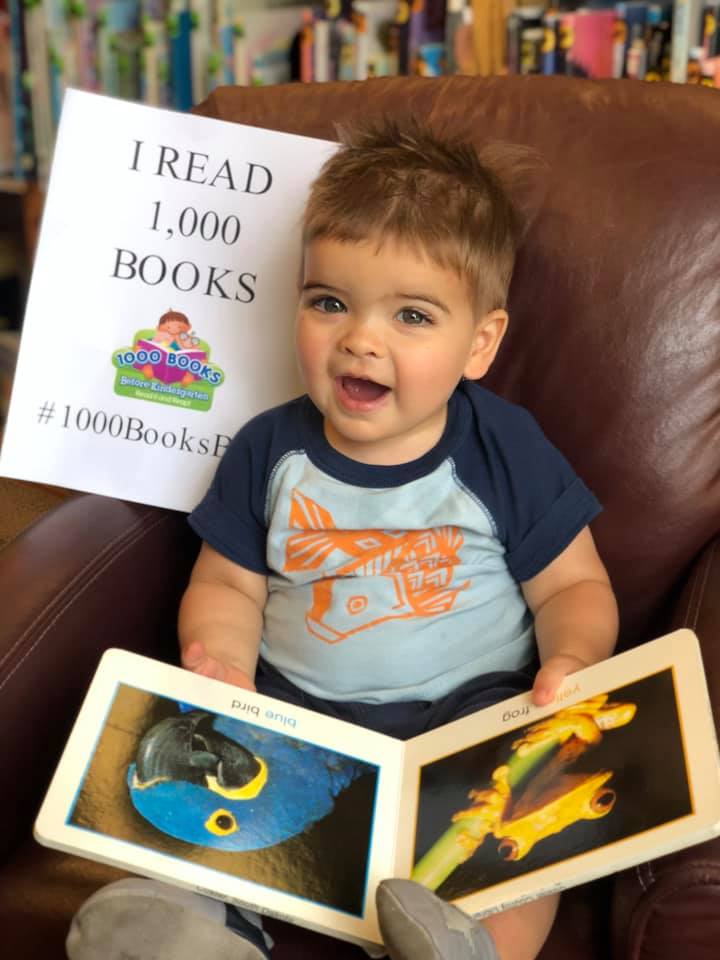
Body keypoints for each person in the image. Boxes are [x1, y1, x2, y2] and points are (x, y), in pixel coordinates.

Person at [67, 120, 618, 960]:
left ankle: (470, 944)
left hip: (469, 722)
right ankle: (196, 923)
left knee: (522, 843)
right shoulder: (268, 450)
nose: (360, 338)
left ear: (479, 343)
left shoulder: (504, 447)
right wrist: (221, 663)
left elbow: (573, 586)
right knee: (211, 804)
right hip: (298, 716)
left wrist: (571, 661)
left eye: (412, 315)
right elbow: (228, 585)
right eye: (329, 302)